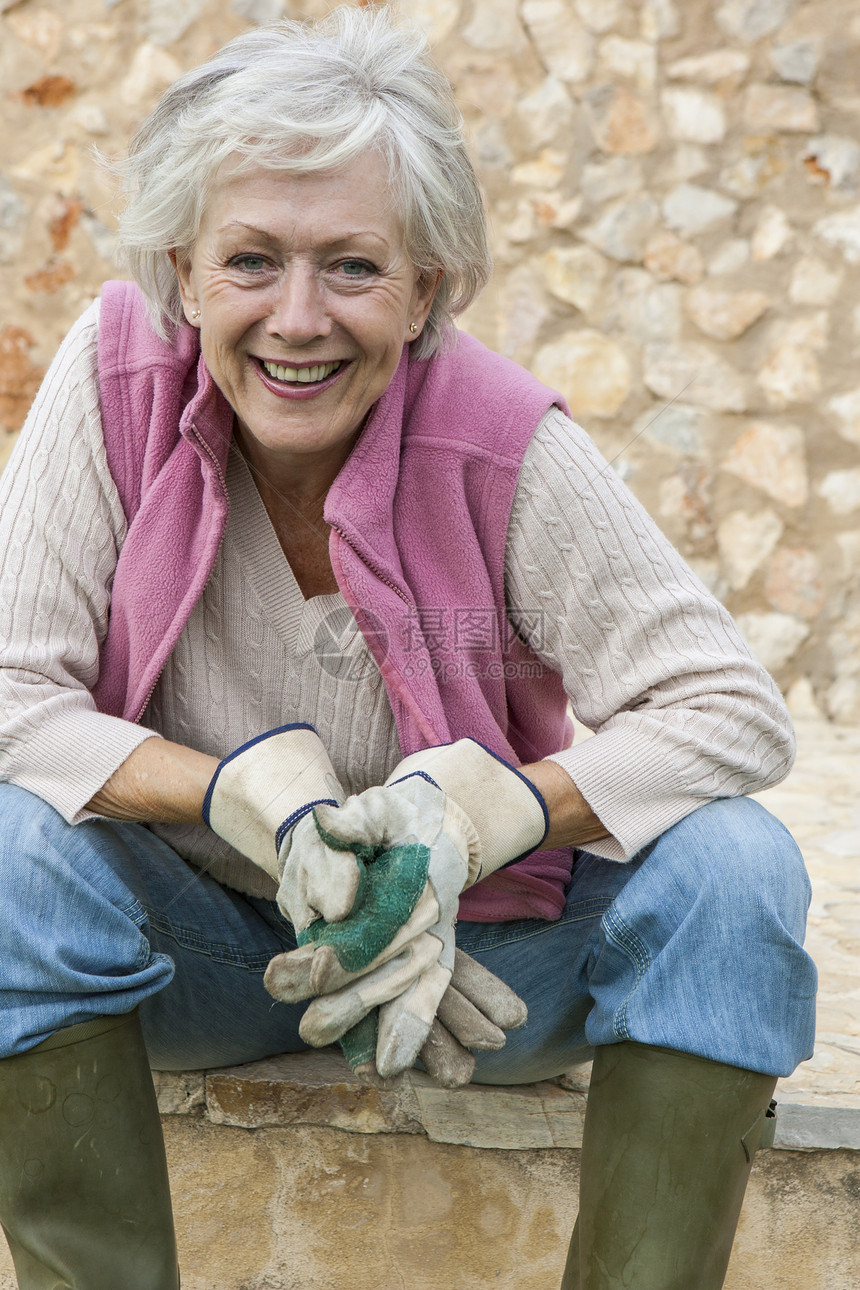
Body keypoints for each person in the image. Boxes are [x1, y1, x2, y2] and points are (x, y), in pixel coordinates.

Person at [0, 7, 816, 1289]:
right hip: (197, 954)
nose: (298, 318)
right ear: (181, 268)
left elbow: (727, 710)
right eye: (251, 260)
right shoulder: (113, 378)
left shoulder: (498, 439)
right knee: (11, 855)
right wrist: (227, 793)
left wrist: (476, 822)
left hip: (480, 967)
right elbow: (9, 696)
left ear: (426, 287)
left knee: (734, 868)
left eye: (354, 268)